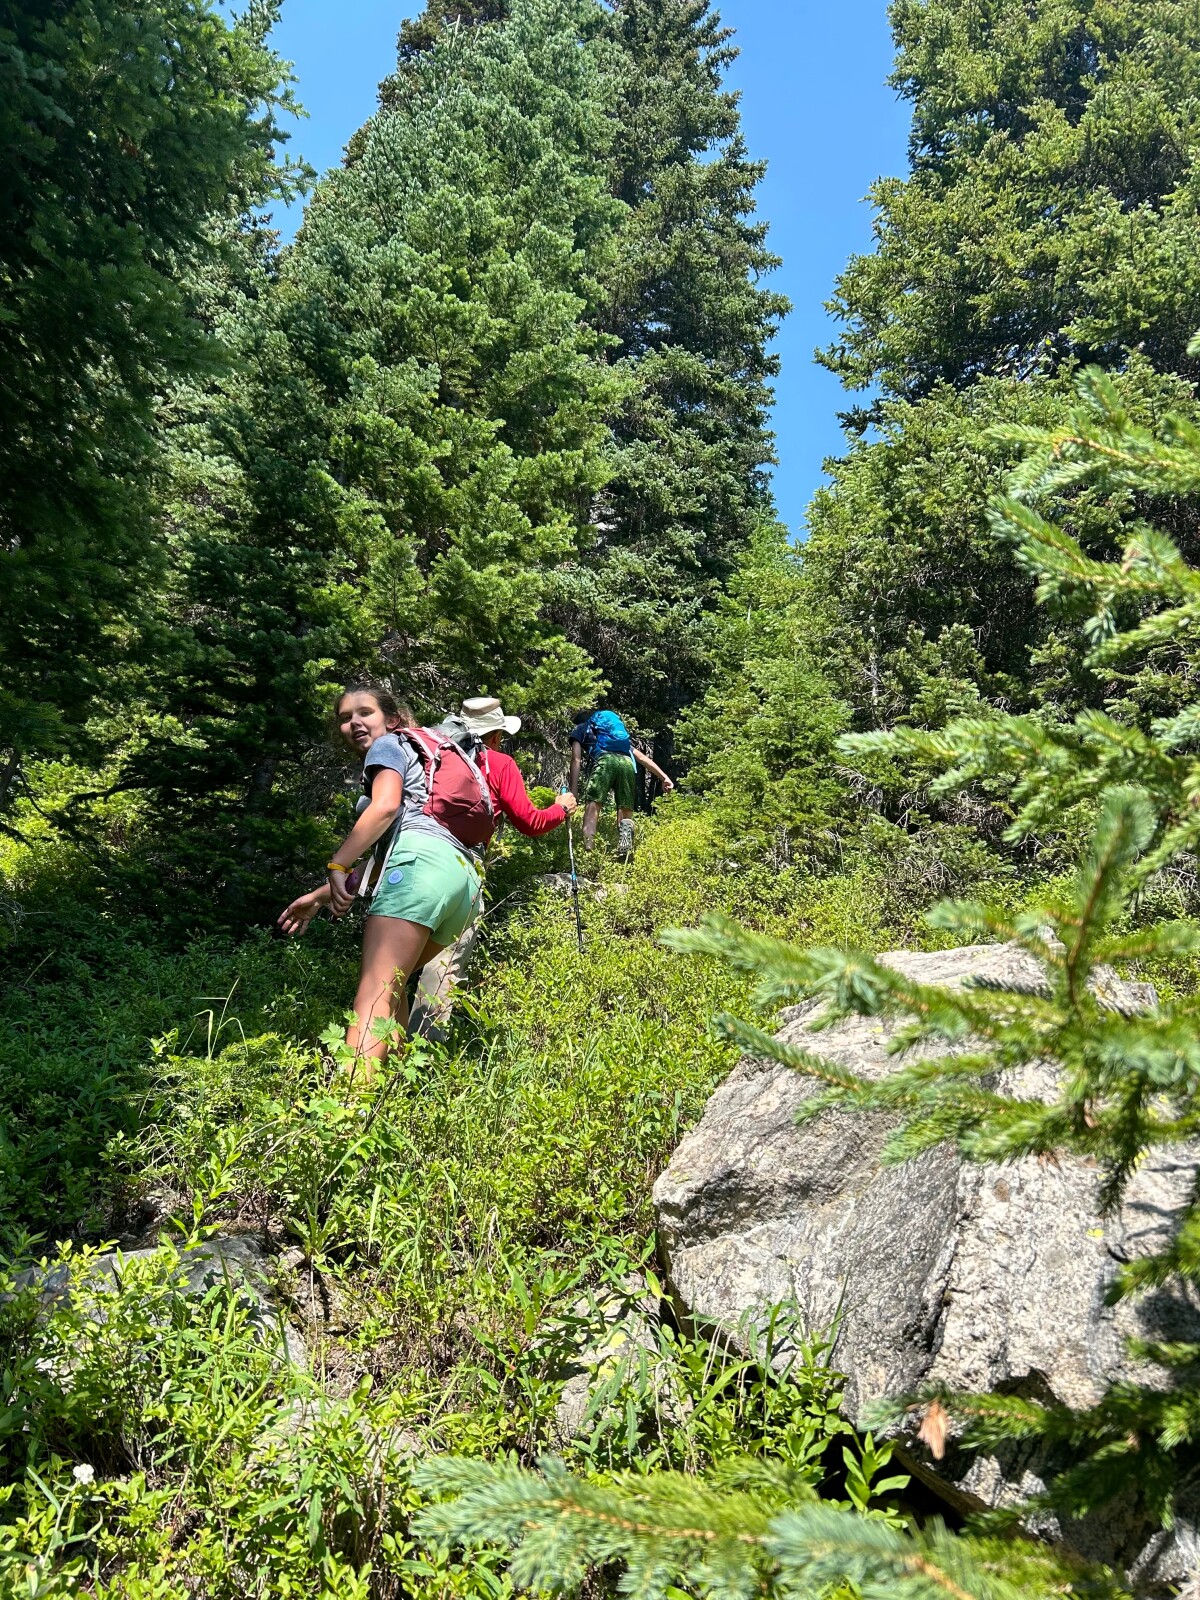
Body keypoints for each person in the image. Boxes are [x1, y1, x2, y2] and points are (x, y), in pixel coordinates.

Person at [277, 684, 483, 1074]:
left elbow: (385, 807)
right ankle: (395, 1089)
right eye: (345, 718)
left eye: (364, 713)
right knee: (393, 990)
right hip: (463, 883)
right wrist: (320, 896)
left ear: (392, 720)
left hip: (421, 868)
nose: (354, 722)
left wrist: (337, 864)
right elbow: (386, 860)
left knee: (373, 997)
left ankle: (349, 1106)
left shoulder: (388, 745)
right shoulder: (425, 757)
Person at [409, 695, 578, 1041]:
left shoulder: (431, 754)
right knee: (443, 963)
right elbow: (530, 822)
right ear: (496, 735)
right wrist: (561, 808)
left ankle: (372, 1051)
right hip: (459, 866)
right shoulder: (498, 762)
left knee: (393, 967)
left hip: (410, 856)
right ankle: (420, 1054)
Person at [568, 707, 673, 856]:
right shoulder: (614, 737)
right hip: (627, 764)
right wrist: (664, 777)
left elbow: (576, 759)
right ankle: (624, 850)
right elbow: (642, 758)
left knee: (593, 806)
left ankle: (589, 851)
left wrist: (573, 790)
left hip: (605, 762)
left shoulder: (581, 729)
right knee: (625, 807)